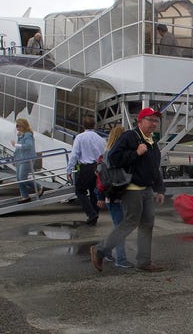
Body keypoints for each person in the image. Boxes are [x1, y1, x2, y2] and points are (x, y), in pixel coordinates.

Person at [90, 107, 166, 272]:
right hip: (131, 188)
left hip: (147, 189)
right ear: (140, 121)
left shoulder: (152, 142)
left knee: (147, 223)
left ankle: (144, 262)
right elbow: (114, 158)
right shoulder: (130, 137)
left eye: (156, 121)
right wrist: (136, 153)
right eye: (150, 120)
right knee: (131, 221)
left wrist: (160, 189)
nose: (154, 123)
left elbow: (155, 168)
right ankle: (100, 250)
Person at [95, 125, 134, 268]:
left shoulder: (105, 154)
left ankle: (106, 251)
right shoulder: (122, 155)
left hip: (110, 195)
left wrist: (99, 196)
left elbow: (99, 178)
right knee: (121, 228)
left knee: (119, 227)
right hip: (121, 195)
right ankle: (120, 258)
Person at [66, 116, 106, 225]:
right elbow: (104, 154)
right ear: (94, 126)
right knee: (94, 192)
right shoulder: (101, 139)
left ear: (83, 126)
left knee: (80, 191)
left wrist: (69, 169)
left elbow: (75, 154)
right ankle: (94, 215)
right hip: (98, 166)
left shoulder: (80, 137)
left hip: (86, 166)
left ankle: (91, 213)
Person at [11, 118, 44, 203]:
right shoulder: (21, 135)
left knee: (22, 178)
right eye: (16, 125)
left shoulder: (28, 134)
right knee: (19, 178)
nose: (17, 127)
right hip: (20, 159)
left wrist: (16, 145)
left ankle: (39, 187)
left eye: (18, 125)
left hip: (27, 159)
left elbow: (29, 145)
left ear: (23, 126)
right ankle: (25, 196)